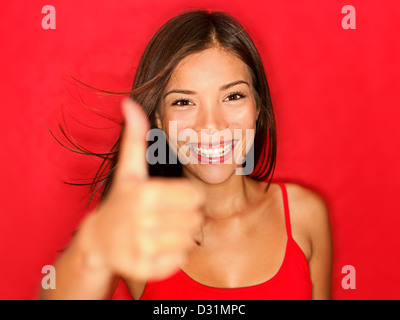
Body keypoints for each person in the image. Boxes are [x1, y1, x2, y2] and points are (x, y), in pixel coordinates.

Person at [40, 9, 332, 300]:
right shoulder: (141, 231)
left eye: (233, 96)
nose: (211, 125)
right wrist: (96, 250)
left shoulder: (305, 214)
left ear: (257, 106)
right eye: (183, 102)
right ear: (158, 120)